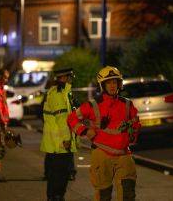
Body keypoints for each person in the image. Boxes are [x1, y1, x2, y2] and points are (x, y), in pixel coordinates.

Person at [67, 66, 141, 201]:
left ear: (119, 84)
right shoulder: (92, 105)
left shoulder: (127, 104)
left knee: (128, 194)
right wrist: (84, 130)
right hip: (101, 154)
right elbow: (71, 118)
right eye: (109, 82)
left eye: (115, 82)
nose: (112, 86)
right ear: (102, 85)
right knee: (103, 195)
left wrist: (133, 134)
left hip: (124, 154)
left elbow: (136, 122)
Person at [40, 68, 78, 201]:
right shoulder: (58, 94)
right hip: (60, 141)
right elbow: (62, 120)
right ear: (64, 78)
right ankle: (56, 197)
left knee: (58, 173)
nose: (71, 79)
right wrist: (67, 138)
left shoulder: (63, 93)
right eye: (69, 77)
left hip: (58, 140)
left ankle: (55, 197)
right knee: (60, 174)